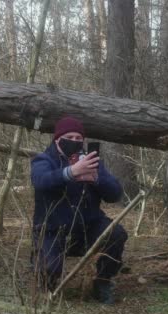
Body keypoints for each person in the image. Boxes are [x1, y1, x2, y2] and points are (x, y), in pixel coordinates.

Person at [31, 116, 127, 304]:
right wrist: (72, 172)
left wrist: (97, 180)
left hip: (87, 227)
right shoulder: (44, 159)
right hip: (52, 230)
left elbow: (115, 194)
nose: (74, 142)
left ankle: (102, 282)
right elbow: (41, 181)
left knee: (116, 234)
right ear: (57, 139)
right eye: (69, 137)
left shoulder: (92, 162)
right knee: (48, 268)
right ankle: (46, 284)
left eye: (78, 138)